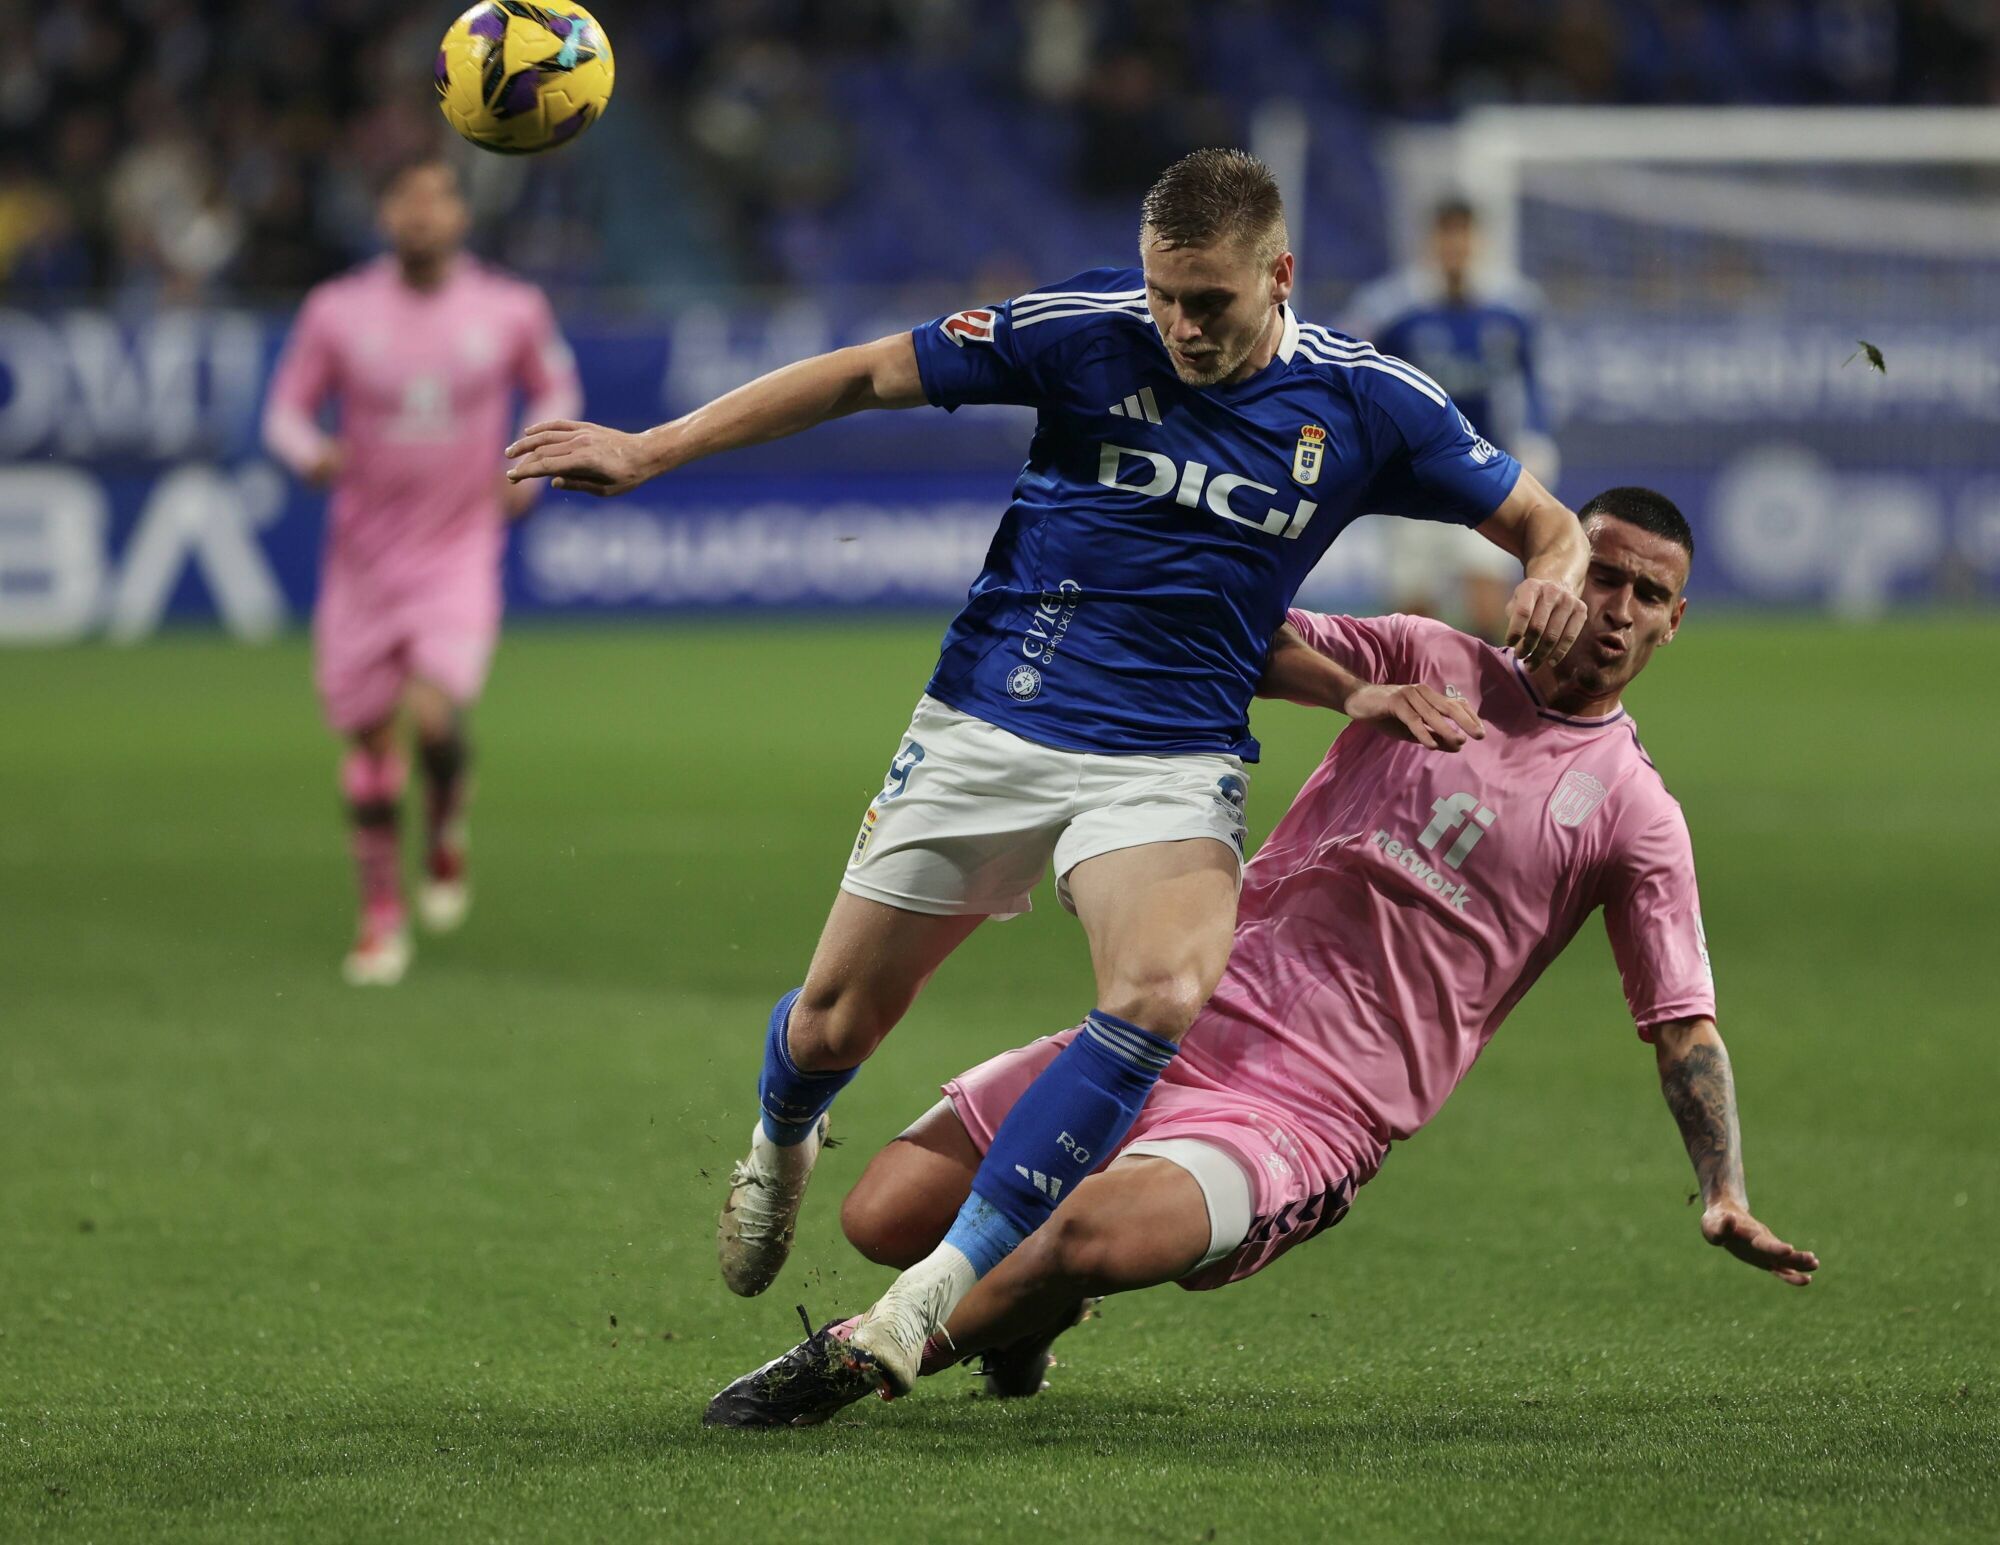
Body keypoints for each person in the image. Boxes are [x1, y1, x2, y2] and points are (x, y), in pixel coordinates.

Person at [506, 148, 1590, 1395]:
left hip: (1170, 757)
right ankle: (781, 1139)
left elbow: (1546, 526)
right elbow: (865, 373)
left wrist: (1549, 587)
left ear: (1278, 275)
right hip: (990, 723)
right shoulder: (1082, 329)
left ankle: (932, 1301)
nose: (1179, 326)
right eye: (1163, 295)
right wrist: (652, 450)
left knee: (1161, 992)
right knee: (833, 1021)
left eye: (1210, 302)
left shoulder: (1367, 402)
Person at [704, 487, 1819, 1428]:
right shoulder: (1428, 655)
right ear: (1557, 568)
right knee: (883, 1215)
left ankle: (849, 1363)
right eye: (1602, 576)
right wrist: (1317, 664)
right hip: (1175, 1024)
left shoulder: (1633, 815)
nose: (1614, 610)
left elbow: (1680, 1022)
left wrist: (1721, 1190)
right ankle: (1028, 1311)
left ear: (1675, 621)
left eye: (1647, 596)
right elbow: (1248, 642)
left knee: (1085, 1235)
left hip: (1313, 1113)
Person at [264, 155, 582, 986]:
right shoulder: (337, 310)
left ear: (459, 216)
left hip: (457, 549)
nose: (420, 214)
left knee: (433, 719)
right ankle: (379, 918)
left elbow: (554, 381)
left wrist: (537, 462)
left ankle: (443, 821)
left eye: (436, 200)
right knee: (370, 740)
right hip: (364, 560)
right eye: (404, 199)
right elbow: (285, 410)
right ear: (383, 214)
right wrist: (308, 452)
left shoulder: (509, 306)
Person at [1346, 198, 1559, 640]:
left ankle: (1492, 704)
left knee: (1489, 604)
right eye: (1447, 235)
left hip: (1481, 468)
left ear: (1478, 241)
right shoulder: (1393, 308)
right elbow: (1354, 373)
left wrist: (1536, 436)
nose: (1456, 246)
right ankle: (1420, 704)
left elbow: (1536, 377)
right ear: (1433, 242)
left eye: (1464, 235)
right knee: (1412, 619)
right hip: (1408, 474)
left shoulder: (1513, 309)